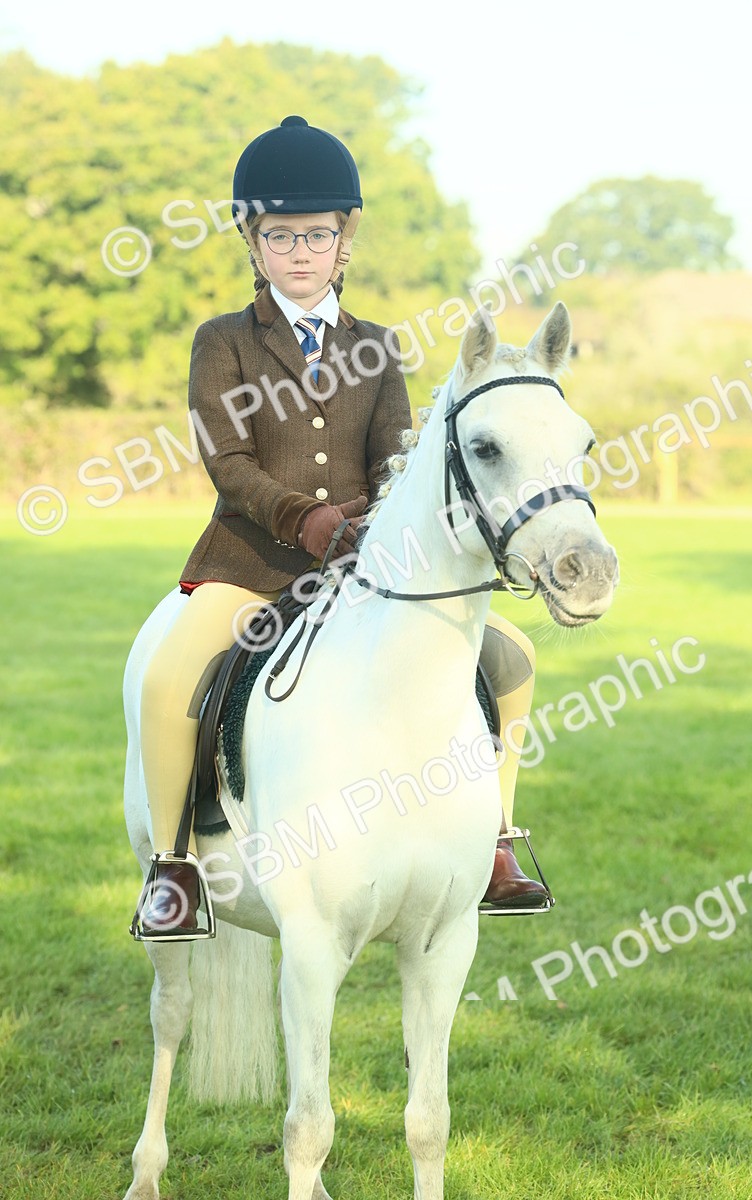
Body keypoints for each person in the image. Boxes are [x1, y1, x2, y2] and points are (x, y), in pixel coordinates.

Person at [133, 115, 547, 940]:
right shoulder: (222, 343)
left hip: (365, 567)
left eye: (315, 234)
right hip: (250, 559)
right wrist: (310, 519)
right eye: (279, 234)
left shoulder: (380, 347)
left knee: (511, 657)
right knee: (167, 677)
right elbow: (229, 463)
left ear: (343, 240)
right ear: (252, 241)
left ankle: (497, 840)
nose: (298, 250)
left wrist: (375, 524)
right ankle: (174, 867)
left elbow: (399, 462)